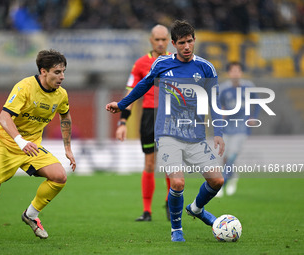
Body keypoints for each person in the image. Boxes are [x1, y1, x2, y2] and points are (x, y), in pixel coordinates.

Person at [106, 20, 225, 242]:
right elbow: (143, 85)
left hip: (196, 136)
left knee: (217, 181)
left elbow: (214, 102)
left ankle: (196, 209)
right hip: (168, 133)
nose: (187, 46)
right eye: (182, 43)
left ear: (194, 40)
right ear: (174, 44)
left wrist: (218, 132)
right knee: (178, 182)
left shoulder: (206, 68)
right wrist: (122, 105)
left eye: (190, 41)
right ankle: (176, 229)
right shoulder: (162, 64)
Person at [0, 49, 76, 239]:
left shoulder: (61, 95)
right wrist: (20, 141)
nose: (62, 77)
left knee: (59, 176)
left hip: (30, 148)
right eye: (57, 72)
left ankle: (31, 215)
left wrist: (67, 148)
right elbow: (3, 116)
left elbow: (65, 116)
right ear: (43, 72)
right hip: (6, 145)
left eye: (63, 72)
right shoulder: (25, 87)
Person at [116, 24, 171, 222]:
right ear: (151, 40)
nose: (160, 43)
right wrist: (122, 121)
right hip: (149, 116)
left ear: (169, 41)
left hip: (170, 115)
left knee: (169, 163)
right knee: (149, 163)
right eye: (157, 39)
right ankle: (147, 211)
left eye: (164, 39)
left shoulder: (177, 61)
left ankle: (169, 202)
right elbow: (130, 93)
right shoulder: (140, 64)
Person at [217, 61, 260, 197]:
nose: (235, 73)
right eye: (233, 70)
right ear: (229, 73)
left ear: (241, 72)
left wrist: (253, 117)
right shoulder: (223, 88)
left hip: (241, 128)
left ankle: (221, 184)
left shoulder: (248, 86)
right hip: (227, 128)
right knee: (224, 157)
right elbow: (218, 105)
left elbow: (257, 102)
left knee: (233, 155)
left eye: (238, 70)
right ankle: (233, 177)